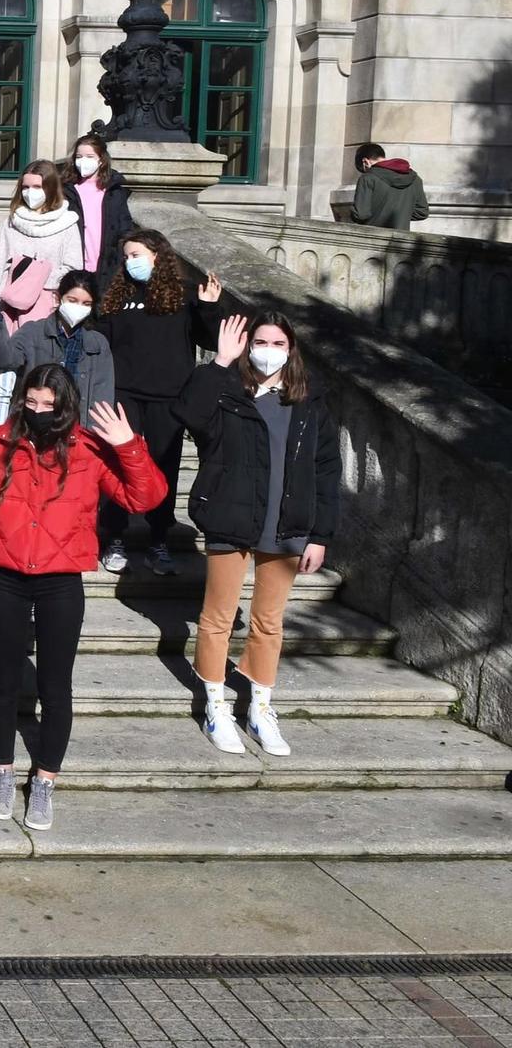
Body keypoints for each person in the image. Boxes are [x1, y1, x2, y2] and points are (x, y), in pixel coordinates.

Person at [0, 368, 166, 832]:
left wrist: (128, 445)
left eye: (47, 405)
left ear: (66, 405)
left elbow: (145, 498)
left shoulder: (90, 448)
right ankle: (3, 773)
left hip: (60, 581)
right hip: (5, 578)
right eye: (30, 402)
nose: (37, 412)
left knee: (56, 687)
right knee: (2, 683)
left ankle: (45, 781)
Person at [177, 312, 340, 759]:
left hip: (287, 524)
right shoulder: (229, 391)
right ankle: (215, 704)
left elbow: (327, 470)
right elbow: (188, 415)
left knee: (269, 621)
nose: (269, 350)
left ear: (291, 350)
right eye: (261, 341)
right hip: (230, 517)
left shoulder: (309, 402)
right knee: (218, 616)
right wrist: (220, 362)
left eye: (278, 343)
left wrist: (320, 534)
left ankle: (260, 707)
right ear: (249, 346)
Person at [94, 230, 227, 576]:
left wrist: (211, 307)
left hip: (168, 398)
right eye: (125, 256)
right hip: (124, 395)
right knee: (119, 465)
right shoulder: (116, 296)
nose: (129, 261)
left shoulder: (183, 296)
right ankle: (115, 536)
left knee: (161, 468)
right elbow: (100, 342)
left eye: (135, 254)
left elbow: (211, 338)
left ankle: (158, 539)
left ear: (157, 255)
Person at [0, 161, 84, 428]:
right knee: (1, 385)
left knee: (41, 386)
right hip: (9, 314)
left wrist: (34, 274)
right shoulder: (11, 223)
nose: (29, 192)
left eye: (36, 186)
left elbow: (73, 270)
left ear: (50, 188)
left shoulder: (67, 224)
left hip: (44, 315)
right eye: (25, 186)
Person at [0, 268, 114, 423]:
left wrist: (94, 438)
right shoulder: (34, 332)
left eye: (86, 303)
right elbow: (5, 358)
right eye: (72, 300)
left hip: (76, 426)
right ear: (58, 298)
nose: (78, 307)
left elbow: (102, 397)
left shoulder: (97, 344)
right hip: (37, 422)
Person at [60, 134, 136, 294]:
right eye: (79, 157)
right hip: (75, 264)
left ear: (101, 160)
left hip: (107, 264)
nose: (83, 161)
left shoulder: (114, 190)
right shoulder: (67, 190)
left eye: (89, 156)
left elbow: (124, 226)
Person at [349, 141, 430, 231]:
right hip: (401, 239)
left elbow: (361, 214)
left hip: (373, 238)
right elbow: (422, 212)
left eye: (363, 169)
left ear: (365, 162)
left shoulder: (368, 178)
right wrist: (401, 216)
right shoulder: (415, 179)